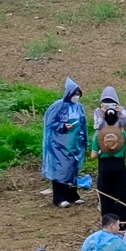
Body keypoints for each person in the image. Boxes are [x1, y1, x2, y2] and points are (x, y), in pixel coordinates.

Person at [40, 79, 86, 207]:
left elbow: (83, 124)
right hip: (59, 144)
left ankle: (72, 195)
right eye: (74, 94)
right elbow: (50, 124)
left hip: (74, 143)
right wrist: (63, 126)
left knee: (73, 169)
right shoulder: (58, 106)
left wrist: (84, 140)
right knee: (61, 170)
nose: (76, 96)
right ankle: (59, 198)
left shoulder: (79, 107)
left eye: (78, 94)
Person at [89, 98, 126, 223]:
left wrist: (102, 151)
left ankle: (108, 221)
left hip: (104, 167)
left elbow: (93, 155)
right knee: (121, 193)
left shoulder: (98, 135)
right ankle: (121, 221)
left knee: (105, 194)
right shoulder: (123, 135)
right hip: (119, 166)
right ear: (117, 118)